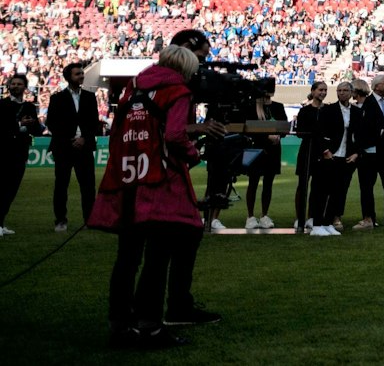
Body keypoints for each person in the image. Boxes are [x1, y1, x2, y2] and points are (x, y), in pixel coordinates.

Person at [91, 44, 215, 349]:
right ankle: (151, 327)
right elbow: (174, 136)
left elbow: (119, 131)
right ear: (185, 68)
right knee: (158, 258)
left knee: (127, 258)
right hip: (160, 184)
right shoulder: (178, 91)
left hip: (127, 177)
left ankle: (120, 324)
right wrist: (193, 154)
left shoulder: (132, 88)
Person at [47, 60, 103, 232]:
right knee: (61, 185)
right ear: (68, 77)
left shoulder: (90, 97)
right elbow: (52, 123)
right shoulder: (56, 98)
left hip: (84, 147)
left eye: (82, 73)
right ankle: (60, 220)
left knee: (88, 186)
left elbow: (94, 122)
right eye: (77, 74)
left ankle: (89, 220)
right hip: (64, 148)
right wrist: (71, 139)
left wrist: (84, 138)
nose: (81, 76)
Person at [352, 72, 384, 228]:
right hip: (370, 152)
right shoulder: (366, 104)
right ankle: (369, 218)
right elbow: (363, 128)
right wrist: (382, 132)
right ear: (376, 86)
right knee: (367, 187)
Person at [310, 81, 360, 235]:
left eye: (345, 90)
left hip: (346, 157)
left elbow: (360, 135)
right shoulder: (328, 110)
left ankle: (328, 223)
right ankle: (317, 225)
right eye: (339, 90)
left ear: (351, 93)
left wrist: (356, 153)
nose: (342, 93)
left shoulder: (357, 112)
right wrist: (325, 150)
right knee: (322, 191)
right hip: (330, 155)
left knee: (338, 192)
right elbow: (318, 132)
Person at [235, 79, 285, 231]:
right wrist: (267, 137)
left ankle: (265, 215)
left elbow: (284, 126)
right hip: (256, 149)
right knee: (253, 182)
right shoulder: (251, 107)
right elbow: (247, 128)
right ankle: (250, 216)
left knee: (268, 183)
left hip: (273, 150)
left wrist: (278, 136)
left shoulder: (278, 106)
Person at [2, 72, 44, 235]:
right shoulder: (2, 105)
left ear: (25, 87)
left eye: (19, 84)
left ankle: (1, 223)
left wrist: (34, 125)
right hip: (3, 152)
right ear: (9, 86)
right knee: (2, 188)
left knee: (12, 189)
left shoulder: (29, 107)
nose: (16, 86)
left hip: (20, 152)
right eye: (13, 84)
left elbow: (36, 131)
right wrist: (19, 124)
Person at [291, 80, 327, 233]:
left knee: (318, 187)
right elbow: (300, 132)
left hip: (323, 152)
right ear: (313, 91)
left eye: (325, 90)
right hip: (307, 151)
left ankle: (312, 217)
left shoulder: (328, 110)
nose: (323, 93)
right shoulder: (305, 111)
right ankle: (300, 217)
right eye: (320, 90)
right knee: (302, 185)